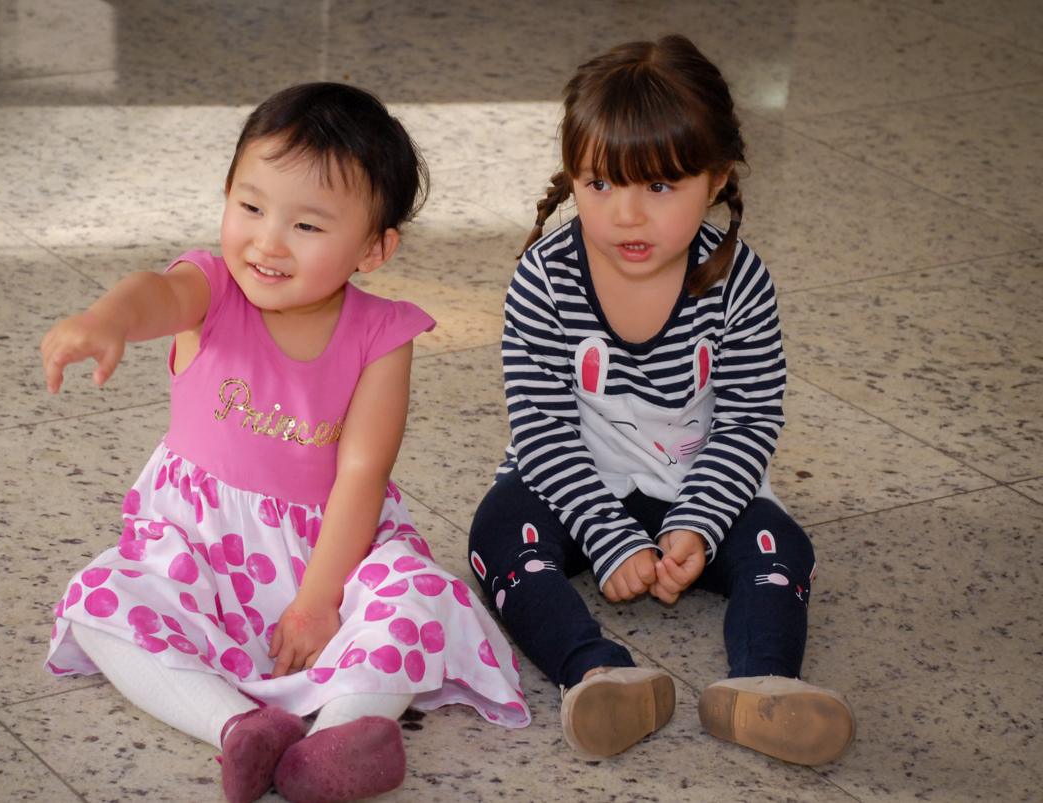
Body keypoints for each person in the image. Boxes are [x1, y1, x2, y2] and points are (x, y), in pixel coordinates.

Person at [41, 82, 528, 803]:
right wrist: (105, 317)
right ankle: (236, 727)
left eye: (308, 226)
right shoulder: (209, 287)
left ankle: (338, 738)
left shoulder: (383, 335)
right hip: (200, 553)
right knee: (103, 596)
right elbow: (153, 291)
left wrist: (319, 599)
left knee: (418, 595)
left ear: (374, 247)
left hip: (331, 550)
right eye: (251, 206)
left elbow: (364, 470)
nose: (267, 240)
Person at [467, 36, 854, 767]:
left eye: (660, 187)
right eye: (600, 185)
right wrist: (608, 536)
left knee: (780, 549)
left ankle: (764, 685)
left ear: (716, 179)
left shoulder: (741, 282)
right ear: (571, 179)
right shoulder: (543, 280)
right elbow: (543, 431)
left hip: (698, 480)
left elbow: (748, 419)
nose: (627, 216)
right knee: (497, 536)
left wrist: (701, 523)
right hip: (568, 480)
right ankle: (598, 674)